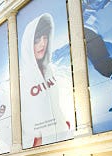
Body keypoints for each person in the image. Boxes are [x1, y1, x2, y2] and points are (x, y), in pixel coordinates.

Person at [20, 13, 72, 148]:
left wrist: (65, 124)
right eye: (37, 40)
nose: (42, 44)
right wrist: (35, 139)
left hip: (64, 140)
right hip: (39, 148)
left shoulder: (51, 70)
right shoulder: (21, 81)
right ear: (28, 44)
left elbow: (58, 104)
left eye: (45, 38)